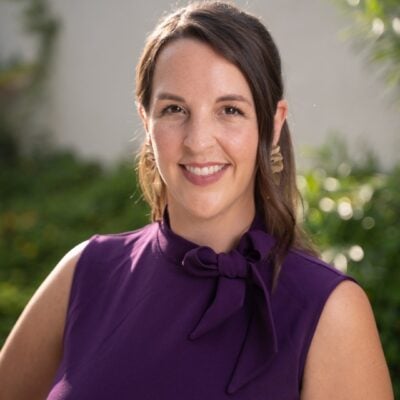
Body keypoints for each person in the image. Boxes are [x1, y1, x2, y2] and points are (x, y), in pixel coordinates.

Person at [0, 1, 394, 399]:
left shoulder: (329, 311)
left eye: (229, 110)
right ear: (145, 121)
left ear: (272, 125)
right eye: (174, 109)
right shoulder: (85, 274)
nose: (198, 141)